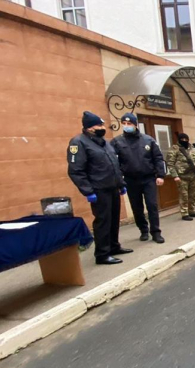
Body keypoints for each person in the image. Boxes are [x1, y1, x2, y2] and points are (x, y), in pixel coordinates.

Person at [67, 111, 132, 265]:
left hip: (112, 188)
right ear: (89, 127)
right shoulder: (78, 142)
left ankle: (114, 246)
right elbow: (76, 170)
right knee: (103, 221)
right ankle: (102, 254)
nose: (102, 127)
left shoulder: (104, 142)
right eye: (99, 125)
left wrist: (121, 184)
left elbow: (114, 165)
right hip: (98, 190)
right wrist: (88, 191)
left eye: (102, 124)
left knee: (114, 219)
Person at [110, 113, 166, 244]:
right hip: (130, 179)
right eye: (124, 123)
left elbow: (158, 158)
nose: (126, 126)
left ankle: (156, 232)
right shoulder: (117, 142)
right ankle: (143, 230)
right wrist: (119, 179)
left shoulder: (148, 140)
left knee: (152, 205)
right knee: (137, 207)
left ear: (135, 125)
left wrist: (160, 175)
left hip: (148, 178)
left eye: (129, 124)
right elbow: (113, 162)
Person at [165, 133, 195, 221]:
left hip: (193, 176)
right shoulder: (174, 149)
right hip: (182, 176)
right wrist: (175, 175)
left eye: (186, 139)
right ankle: (184, 213)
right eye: (182, 139)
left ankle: (192, 211)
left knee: (193, 195)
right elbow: (170, 164)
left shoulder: (193, 149)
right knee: (184, 195)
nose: (184, 141)